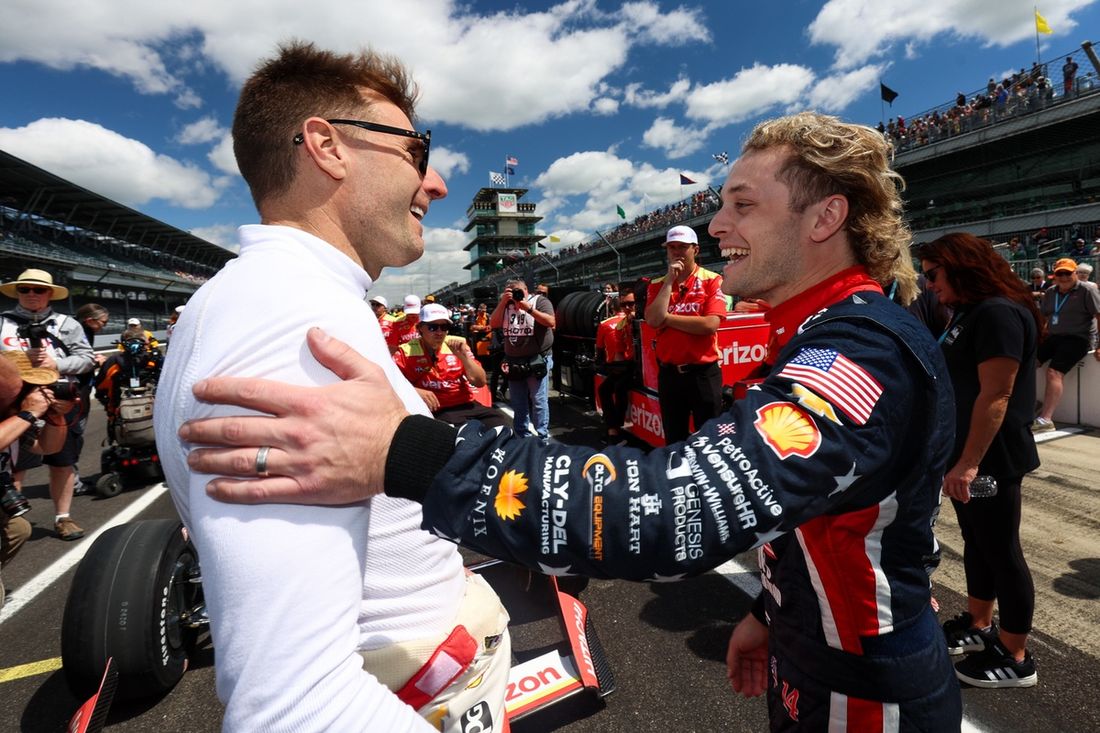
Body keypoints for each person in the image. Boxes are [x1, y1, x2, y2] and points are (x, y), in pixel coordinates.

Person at [180, 111, 961, 731]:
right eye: (721, 201)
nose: (716, 223)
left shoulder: (866, 350)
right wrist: (772, 608)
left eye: (742, 204)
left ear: (825, 217)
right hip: (813, 660)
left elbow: (679, 508)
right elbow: (827, 510)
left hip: (869, 697)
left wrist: (407, 452)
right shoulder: (825, 329)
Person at [153, 42, 510, 732]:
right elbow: (291, 707)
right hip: (411, 694)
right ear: (327, 146)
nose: (435, 184)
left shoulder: (282, 295)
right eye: (416, 149)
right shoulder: (293, 317)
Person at [918, 233, 1041, 688]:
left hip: (991, 455)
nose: (928, 284)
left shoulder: (996, 313)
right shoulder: (971, 311)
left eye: (933, 274)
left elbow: (997, 393)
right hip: (969, 451)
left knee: (1002, 549)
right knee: (977, 542)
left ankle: (1015, 654)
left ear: (960, 266)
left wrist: (968, 463)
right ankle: (978, 625)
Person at [0, 268, 95, 541]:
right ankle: (10, 522)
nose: (31, 294)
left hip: (58, 401)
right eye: (24, 289)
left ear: (50, 294)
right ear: (17, 292)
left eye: (38, 289)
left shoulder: (67, 323)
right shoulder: (2, 322)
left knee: (62, 463)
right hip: (14, 404)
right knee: (14, 465)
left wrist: (56, 363)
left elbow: (87, 358)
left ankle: (63, 518)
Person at [0, 351, 72, 606]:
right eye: (26, 387)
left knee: (18, 529)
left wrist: (55, 417)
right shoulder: (18, 414)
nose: (35, 392)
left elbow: (47, 448)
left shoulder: (12, 415)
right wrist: (27, 414)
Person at [643, 225, 726, 444]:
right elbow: (652, 320)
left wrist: (667, 319)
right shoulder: (657, 284)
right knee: (674, 438)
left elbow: (709, 324)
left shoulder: (713, 279)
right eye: (672, 248)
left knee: (709, 440)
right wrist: (670, 281)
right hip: (670, 375)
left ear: (695, 250)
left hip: (703, 374)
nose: (677, 252)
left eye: (683, 247)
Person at [393, 304, 509, 429]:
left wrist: (464, 357)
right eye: (433, 327)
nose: (439, 332)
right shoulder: (405, 352)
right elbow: (389, 384)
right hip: (436, 410)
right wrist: (415, 391)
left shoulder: (458, 345)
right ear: (420, 328)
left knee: (501, 426)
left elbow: (480, 382)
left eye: (444, 327)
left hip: (467, 405)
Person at [1032, 257, 1100, 432]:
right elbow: (1043, 317)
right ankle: (1028, 404)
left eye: (1067, 273)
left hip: (1079, 338)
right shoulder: (1051, 292)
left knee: (1054, 372)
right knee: (1027, 363)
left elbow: (1099, 316)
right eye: (1059, 273)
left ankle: (1045, 419)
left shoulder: (1087, 290)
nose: (1063, 277)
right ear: (1054, 275)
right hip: (1055, 336)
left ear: (1075, 273)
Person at [490, 278, 555, 444]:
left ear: (527, 290)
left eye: (519, 291)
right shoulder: (505, 305)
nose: (516, 295)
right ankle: (522, 438)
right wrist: (504, 301)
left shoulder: (540, 301)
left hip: (537, 358)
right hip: (514, 360)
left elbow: (551, 322)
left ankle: (542, 438)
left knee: (538, 400)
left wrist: (528, 309)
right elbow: (494, 323)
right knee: (518, 401)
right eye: (512, 292)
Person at [71, 303, 110, 496]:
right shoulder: (77, 332)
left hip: (80, 389)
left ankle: (72, 479)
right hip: (75, 392)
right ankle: (73, 483)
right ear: (90, 320)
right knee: (73, 437)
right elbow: (72, 360)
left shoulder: (81, 331)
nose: (104, 325)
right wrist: (94, 361)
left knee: (74, 437)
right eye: (103, 322)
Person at [594, 286, 636, 445]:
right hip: (627, 366)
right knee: (610, 389)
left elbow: (599, 349)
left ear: (611, 309)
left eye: (630, 304)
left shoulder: (605, 324)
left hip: (623, 366)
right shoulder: (624, 323)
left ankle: (613, 430)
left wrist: (600, 362)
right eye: (625, 305)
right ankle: (614, 429)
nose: (628, 308)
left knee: (610, 389)